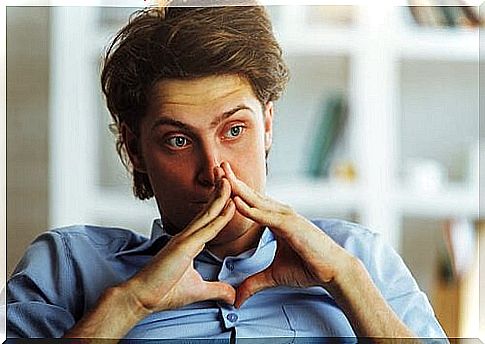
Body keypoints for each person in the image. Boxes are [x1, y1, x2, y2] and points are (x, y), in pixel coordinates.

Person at [6, 3, 447, 341]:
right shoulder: (68, 266)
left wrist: (346, 281)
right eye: (178, 140)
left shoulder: (358, 257)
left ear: (268, 125)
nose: (214, 171)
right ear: (135, 148)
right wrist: (132, 301)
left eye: (234, 130)